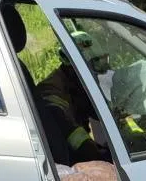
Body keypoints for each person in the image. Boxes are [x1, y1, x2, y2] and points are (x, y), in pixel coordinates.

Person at [36, 30, 107, 164]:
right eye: (90, 69)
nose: (95, 77)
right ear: (73, 66)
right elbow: (76, 139)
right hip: (68, 160)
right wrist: (102, 156)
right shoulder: (52, 92)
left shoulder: (75, 82)